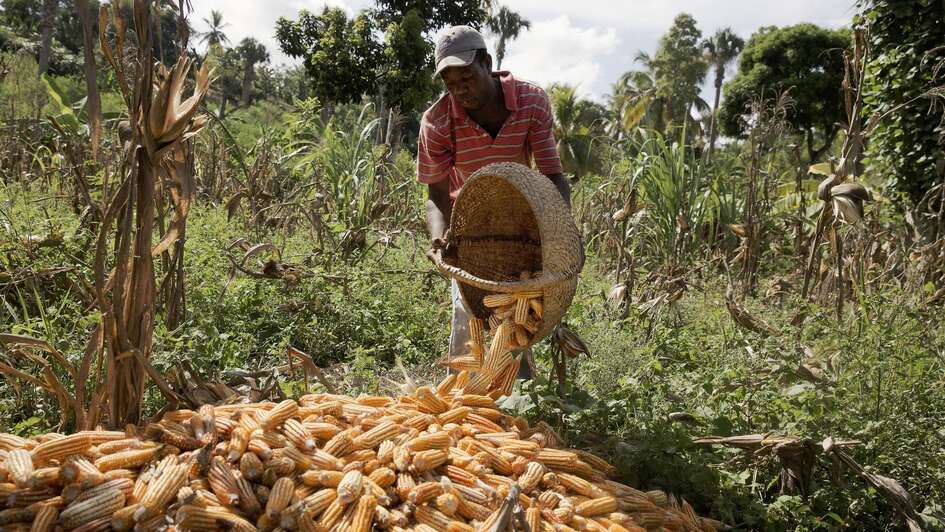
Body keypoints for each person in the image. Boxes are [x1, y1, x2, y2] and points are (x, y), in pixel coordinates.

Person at [417, 25, 571, 373]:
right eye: (450, 84)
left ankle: (522, 404)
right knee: (469, 315)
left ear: (487, 62)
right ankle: (465, 406)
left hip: (523, 222)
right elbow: (437, 196)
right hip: (469, 229)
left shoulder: (530, 101)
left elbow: (553, 176)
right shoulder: (437, 122)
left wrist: (560, 232)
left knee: (519, 318)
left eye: (467, 78)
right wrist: (440, 239)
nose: (460, 90)